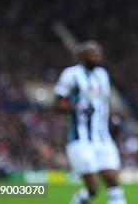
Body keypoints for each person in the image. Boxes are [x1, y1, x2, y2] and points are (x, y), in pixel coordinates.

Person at [54, 41, 126, 204]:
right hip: (81, 139)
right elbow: (57, 104)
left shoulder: (103, 75)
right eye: (92, 53)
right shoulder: (71, 74)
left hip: (103, 138)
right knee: (93, 189)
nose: (97, 56)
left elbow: (104, 104)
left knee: (113, 180)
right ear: (81, 56)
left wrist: (113, 120)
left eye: (99, 53)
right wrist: (78, 107)